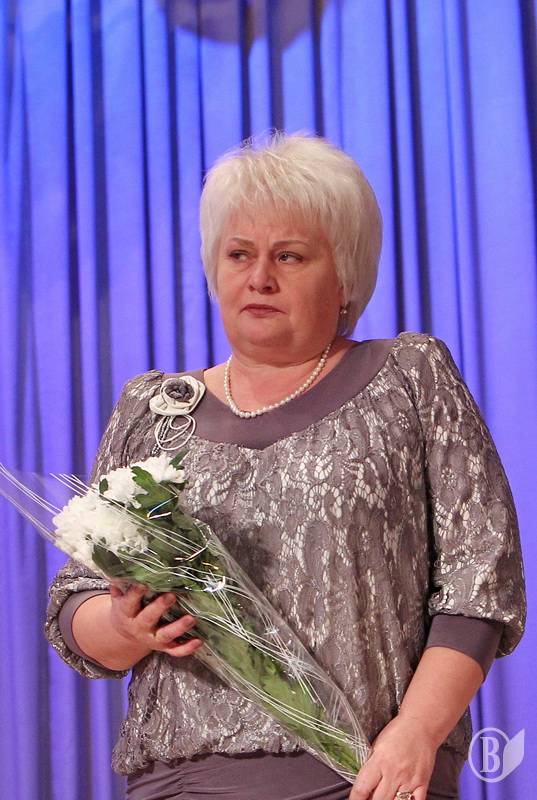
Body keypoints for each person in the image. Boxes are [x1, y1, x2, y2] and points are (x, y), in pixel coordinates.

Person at [45, 133, 526, 800]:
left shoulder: (409, 378)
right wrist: (124, 626)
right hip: (177, 781)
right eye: (238, 254)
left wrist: (416, 733)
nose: (259, 278)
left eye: (289, 256)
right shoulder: (154, 409)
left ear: (345, 276)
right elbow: (76, 608)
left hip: (367, 779)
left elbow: (480, 582)